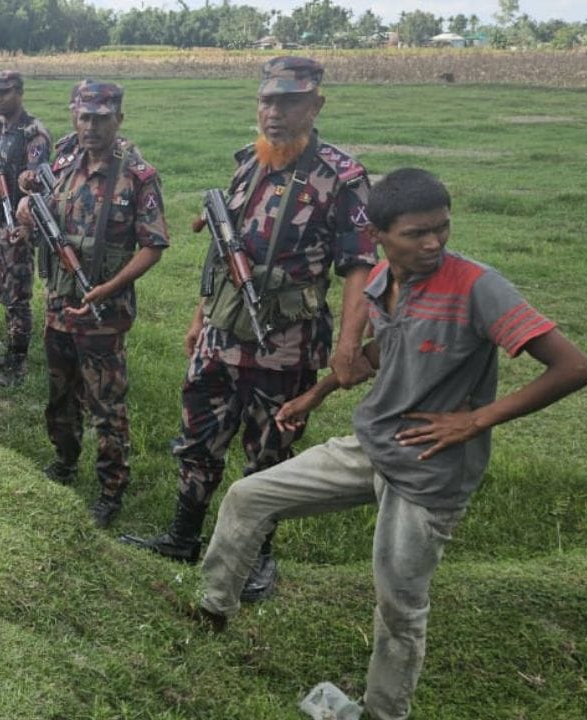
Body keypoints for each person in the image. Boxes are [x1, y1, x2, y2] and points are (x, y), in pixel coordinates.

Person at [193, 168, 587, 720]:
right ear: (379, 236)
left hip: (430, 468)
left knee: (399, 607)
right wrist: (317, 393)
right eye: (416, 233)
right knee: (249, 496)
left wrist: (476, 420)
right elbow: (388, 347)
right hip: (372, 443)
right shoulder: (385, 279)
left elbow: (575, 367)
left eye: (442, 229)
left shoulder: (477, 286)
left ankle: (384, 713)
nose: (433, 243)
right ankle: (212, 611)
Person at [121, 57, 375, 603]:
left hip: (283, 343)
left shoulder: (340, 177)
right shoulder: (249, 163)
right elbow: (222, 247)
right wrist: (198, 316)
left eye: (289, 101)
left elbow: (360, 266)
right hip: (220, 333)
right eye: (267, 100)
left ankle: (257, 555)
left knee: (269, 450)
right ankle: (183, 535)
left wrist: (350, 343)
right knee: (198, 435)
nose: (275, 112)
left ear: (316, 105)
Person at [18, 82, 169, 528]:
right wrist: (29, 206)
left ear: (118, 119)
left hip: (103, 314)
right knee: (60, 392)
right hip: (59, 304)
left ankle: (110, 490)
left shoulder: (138, 176)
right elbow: (44, 209)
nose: (91, 126)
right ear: (73, 116)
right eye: (84, 117)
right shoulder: (63, 163)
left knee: (106, 404)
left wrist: (110, 287)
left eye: (101, 118)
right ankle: (64, 461)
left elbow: (154, 245)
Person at [0, 70, 51, 386]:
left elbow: (36, 181)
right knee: (3, 291)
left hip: (14, 227)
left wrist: (25, 223)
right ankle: (8, 354)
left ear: (19, 92)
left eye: (4, 92)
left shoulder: (32, 134)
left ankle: (17, 366)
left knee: (17, 295)